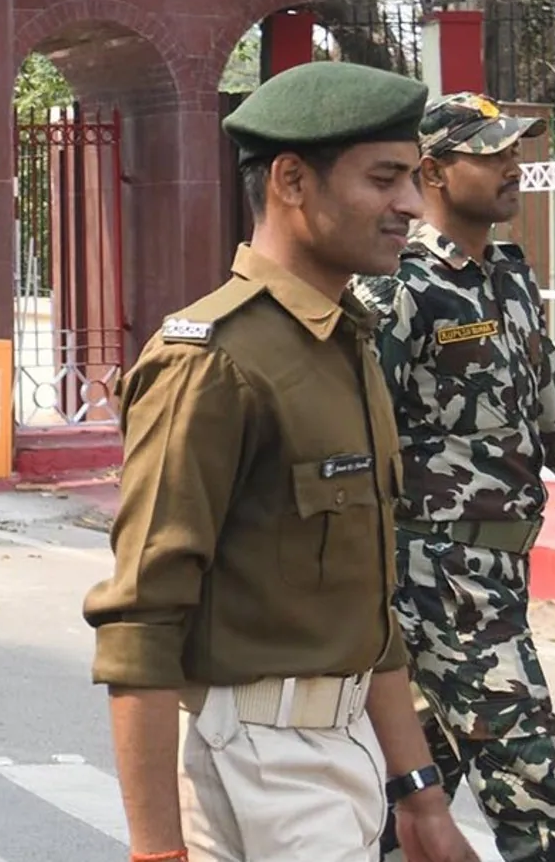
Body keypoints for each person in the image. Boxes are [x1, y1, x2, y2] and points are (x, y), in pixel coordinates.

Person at [82, 60, 481, 862]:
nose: (411, 204)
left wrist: (421, 795)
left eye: (413, 179)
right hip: (258, 761)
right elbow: (142, 620)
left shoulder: (346, 342)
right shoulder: (213, 360)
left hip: (343, 751)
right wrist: (156, 852)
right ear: (292, 181)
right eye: (385, 178)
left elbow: (367, 612)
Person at [354, 92, 555, 862]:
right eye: (492, 154)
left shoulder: (507, 277)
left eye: (515, 151)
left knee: (399, 812)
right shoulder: (401, 287)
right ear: (433, 172)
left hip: (498, 570)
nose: (513, 166)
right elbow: (354, 434)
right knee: (552, 818)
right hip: (439, 579)